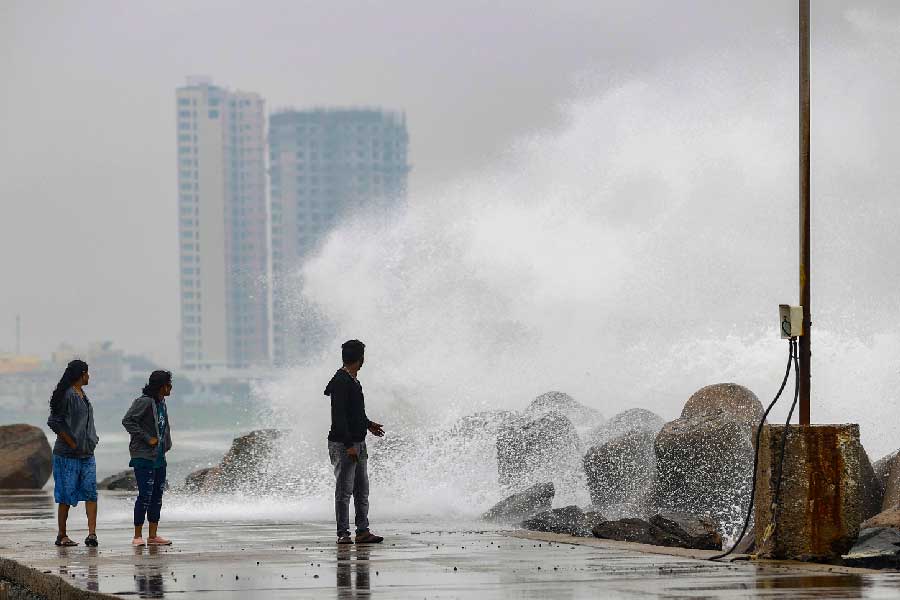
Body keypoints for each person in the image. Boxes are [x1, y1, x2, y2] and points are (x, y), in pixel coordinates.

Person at [325, 339, 385, 544]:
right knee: (344, 491)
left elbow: (354, 412)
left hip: (358, 442)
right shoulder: (341, 381)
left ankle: (362, 531)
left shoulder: (351, 380)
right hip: (344, 444)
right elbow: (339, 417)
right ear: (361, 359)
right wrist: (349, 445)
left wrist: (368, 424)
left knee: (361, 490)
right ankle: (343, 534)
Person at [47, 359, 100, 547]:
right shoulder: (68, 395)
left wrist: (93, 439)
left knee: (91, 493)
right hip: (66, 455)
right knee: (65, 495)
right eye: (87, 373)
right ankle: (62, 535)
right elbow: (53, 421)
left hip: (87, 454)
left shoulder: (83, 394)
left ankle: (92, 534)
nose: (89, 376)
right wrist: (71, 442)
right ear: (81, 374)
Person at [122, 370, 174, 546]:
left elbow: (163, 426)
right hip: (143, 457)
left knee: (157, 496)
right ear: (161, 386)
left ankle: (153, 536)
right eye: (169, 384)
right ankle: (137, 536)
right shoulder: (144, 402)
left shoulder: (162, 402)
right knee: (145, 495)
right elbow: (128, 421)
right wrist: (147, 438)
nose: (171, 387)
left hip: (159, 457)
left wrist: (166, 444)